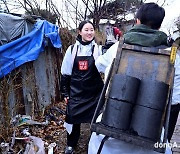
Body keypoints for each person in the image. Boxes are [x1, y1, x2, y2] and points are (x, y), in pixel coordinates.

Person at [90, 3, 174, 154]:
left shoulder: (118, 47)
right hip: (151, 134)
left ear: (137, 21)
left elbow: (98, 65)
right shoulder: (172, 56)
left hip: (110, 132)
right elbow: (174, 100)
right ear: (159, 26)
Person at [60, 20, 104, 154]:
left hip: (94, 93)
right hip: (76, 92)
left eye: (91, 30)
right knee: (72, 118)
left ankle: (95, 144)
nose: (89, 32)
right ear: (79, 32)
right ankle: (71, 144)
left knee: (96, 119)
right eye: (86, 29)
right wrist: (65, 93)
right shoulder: (72, 50)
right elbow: (65, 72)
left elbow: (105, 70)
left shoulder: (98, 49)